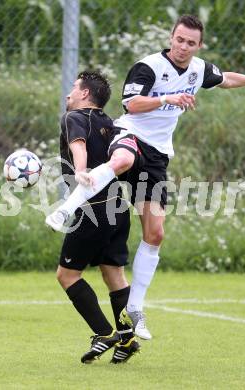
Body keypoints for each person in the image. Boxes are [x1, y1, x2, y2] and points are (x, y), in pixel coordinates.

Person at [46, 15, 245, 339]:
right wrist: (167, 98)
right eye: (179, 39)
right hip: (130, 133)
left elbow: (225, 78)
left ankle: (136, 309)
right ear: (171, 37)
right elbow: (130, 103)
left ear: (199, 46)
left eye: (191, 43)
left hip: (158, 155)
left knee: (155, 233)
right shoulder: (148, 67)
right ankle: (66, 208)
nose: (183, 47)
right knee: (122, 159)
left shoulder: (199, 69)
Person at [55, 70, 140, 364]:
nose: (69, 94)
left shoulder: (73, 117)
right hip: (118, 206)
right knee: (113, 273)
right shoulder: (111, 124)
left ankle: (105, 333)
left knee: (67, 275)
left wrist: (81, 172)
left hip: (92, 208)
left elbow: (78, 145)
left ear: (85, 94)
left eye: (73, 88)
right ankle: (127, 338)